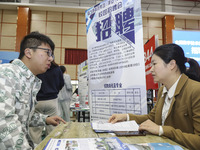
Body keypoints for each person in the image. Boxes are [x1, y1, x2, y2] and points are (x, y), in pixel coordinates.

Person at [108, 43, 200, 150]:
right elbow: (152, 118)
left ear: (172, 65)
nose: (151, 69)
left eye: (154, 64)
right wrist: (126, 117)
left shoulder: (195, 91)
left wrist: (162, 130)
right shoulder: (163, 90)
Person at [0, 31, 66, 150]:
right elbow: (4, 123)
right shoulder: (6, 74)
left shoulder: (30, 81)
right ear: (28, 52)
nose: (51, 58)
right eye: (47, 53)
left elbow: (22, 116)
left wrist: (45, 119)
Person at [29, 60, 64, 144]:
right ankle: (53, 146)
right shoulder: (57, 69)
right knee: (53, 127)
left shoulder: (37, 67)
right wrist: (54, 91)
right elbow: (61, 83)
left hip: (38, 100)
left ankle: (36, 147)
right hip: (52, 100)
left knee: (35, 130)